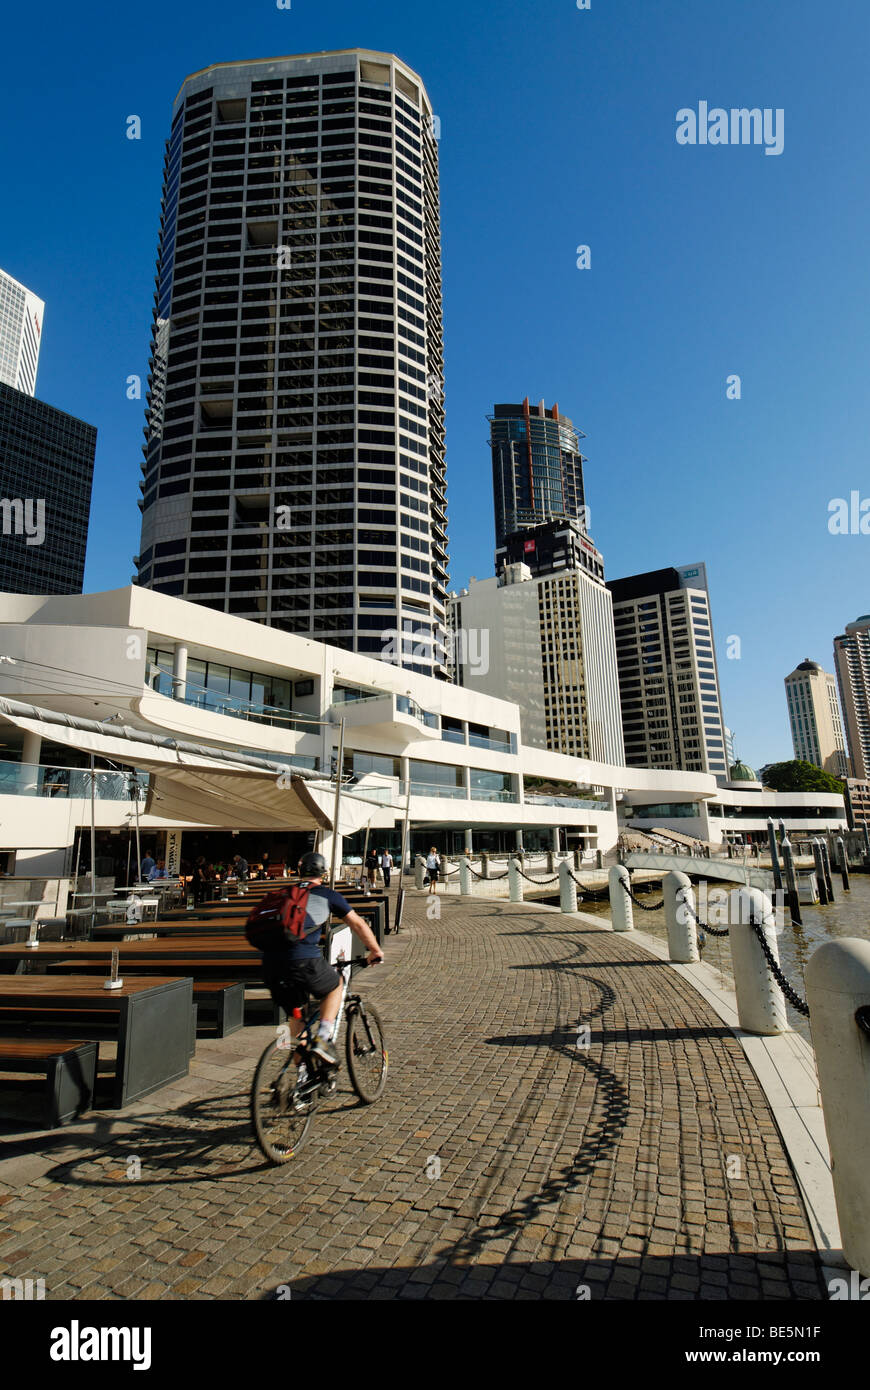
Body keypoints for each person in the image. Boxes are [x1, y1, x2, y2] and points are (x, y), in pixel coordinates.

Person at [259, 851, 384, 1066]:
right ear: (323, 874)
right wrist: (375, 951)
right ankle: (324, 1038)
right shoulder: (327, 895)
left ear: (300, 871)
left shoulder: (284, 892)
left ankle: (301, 1085)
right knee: (336, 985)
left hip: (272, 965)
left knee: (298, 1021)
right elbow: (359, 924)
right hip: (302, 960)